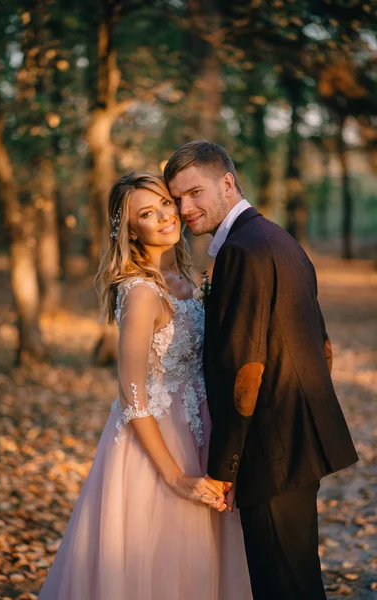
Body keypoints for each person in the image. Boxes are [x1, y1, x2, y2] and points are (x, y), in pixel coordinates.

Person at [37, 172, 252, 600]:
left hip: (203, 429)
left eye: (165, 204)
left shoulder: (188, 280)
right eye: (146, 214)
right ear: (130, 230)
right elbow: (131, 396)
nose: (164, 217)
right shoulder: (140, 293)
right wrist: (174, 477)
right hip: (158, 445)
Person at [164, 141, 359, 600]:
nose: (184, 208)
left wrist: (224, 466)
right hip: (297, 439)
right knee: (295, 576)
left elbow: (244, 369)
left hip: (270, 449)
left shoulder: (243, 251)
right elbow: (321, 345)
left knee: (282, 585)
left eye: (195, 193)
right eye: (176, 198)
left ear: (227, 182)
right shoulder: (275, 237)